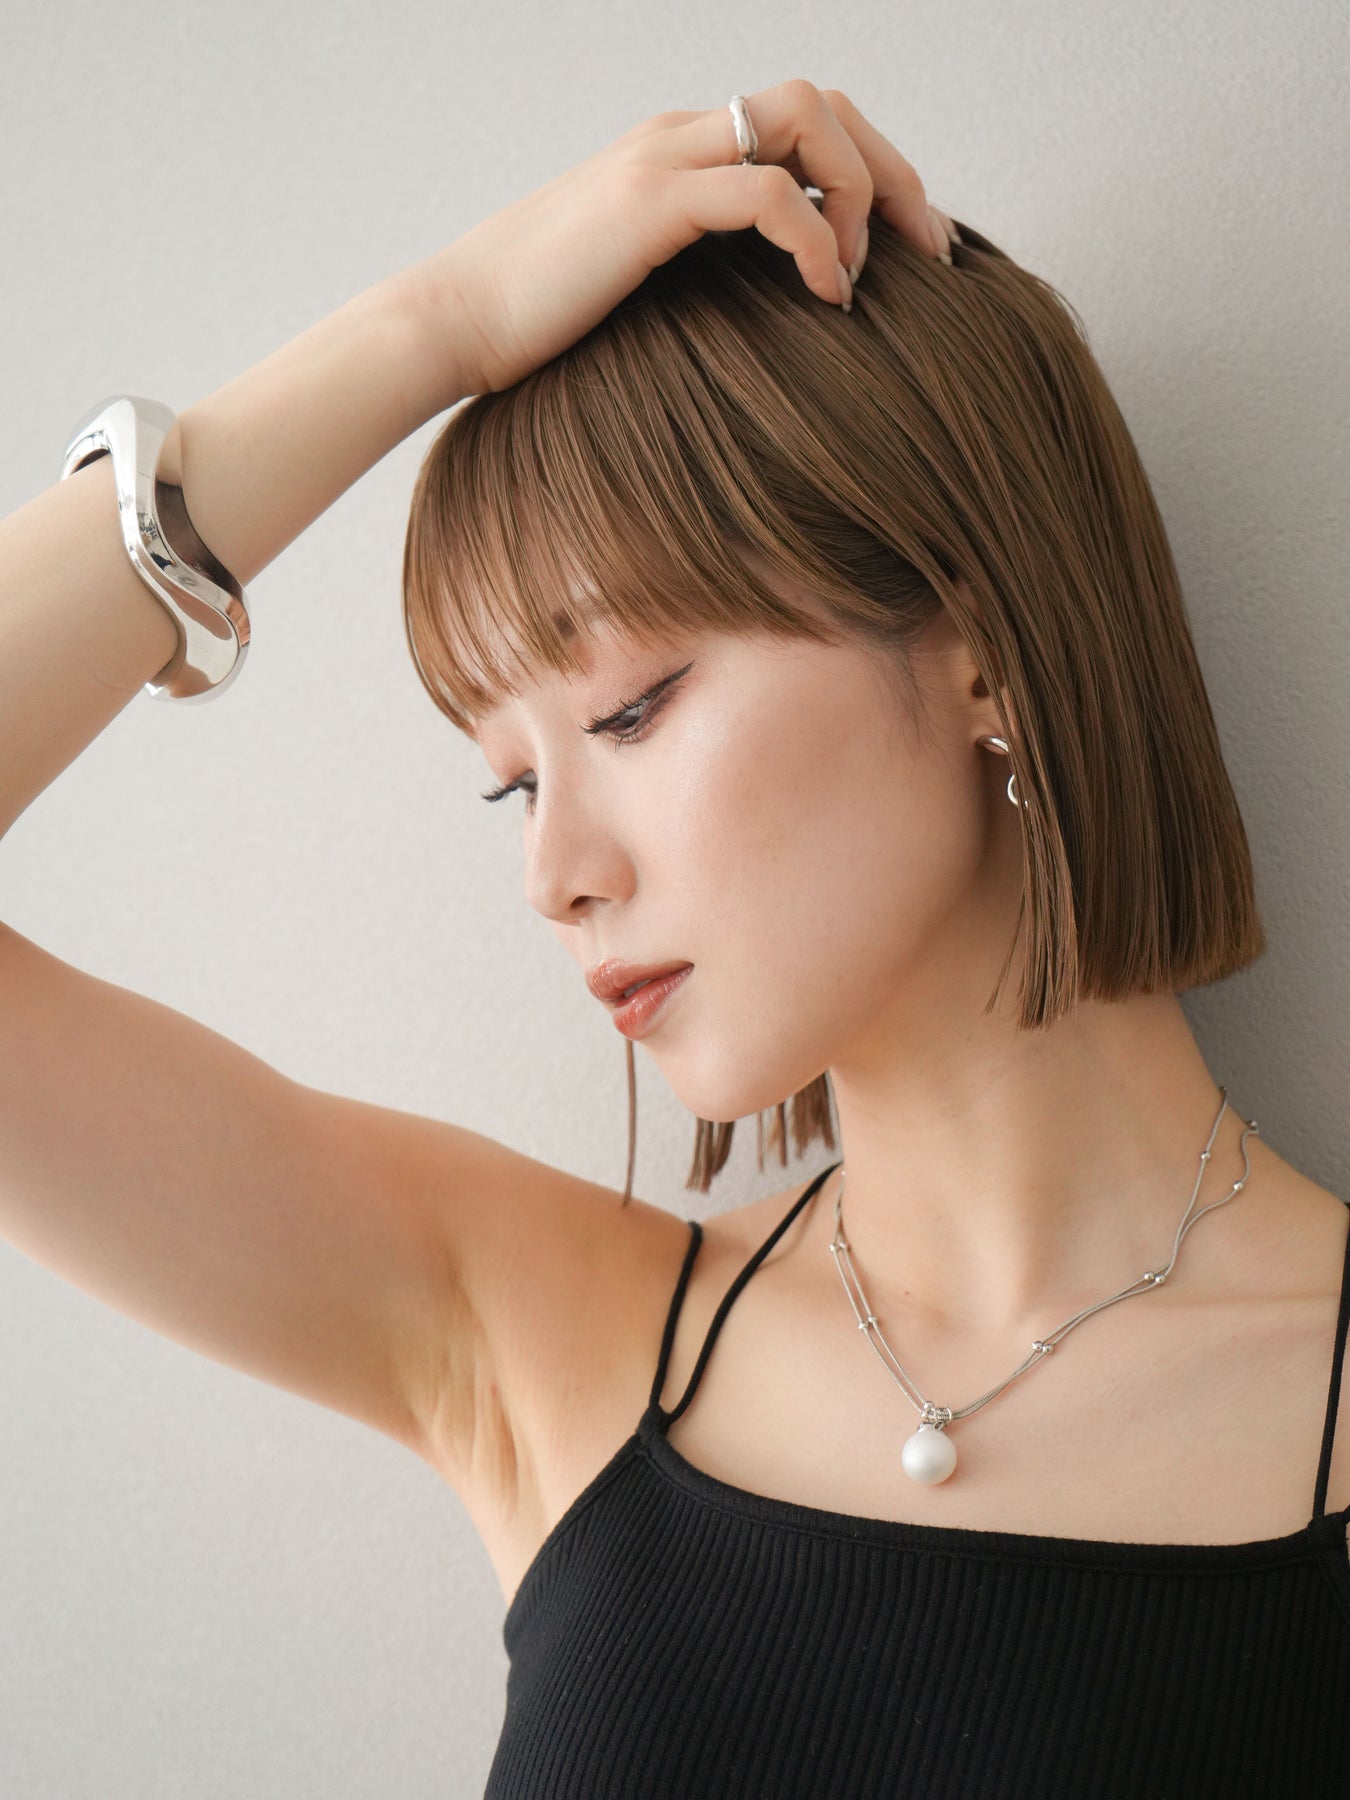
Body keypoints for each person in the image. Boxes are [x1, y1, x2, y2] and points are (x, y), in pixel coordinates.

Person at [1, 78, 1347, 1797]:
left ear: (981, 650)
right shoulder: (532, 1334)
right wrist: (433, 328)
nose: (553, 872)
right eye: (512, 784)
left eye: (630, 710)